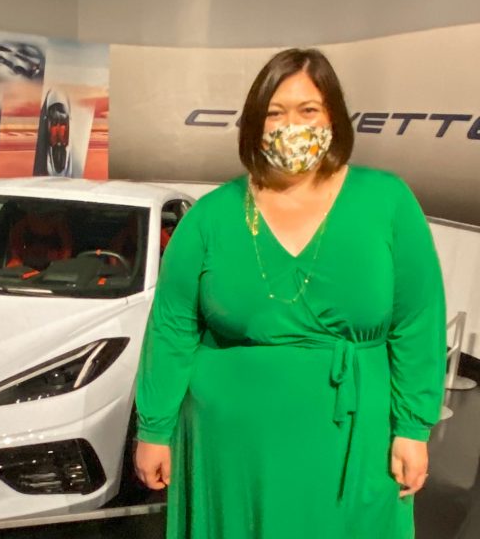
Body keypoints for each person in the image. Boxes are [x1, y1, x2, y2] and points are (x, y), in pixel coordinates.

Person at [134, 48, 446, 538]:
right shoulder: (211, 216)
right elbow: (172, 326)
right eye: (274, 113)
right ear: (253, 125)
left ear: (333, 117)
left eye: (308, 110)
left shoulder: (387, 202)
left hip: (353, 442)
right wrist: (154, 428)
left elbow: (418, 320)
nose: (290, 126)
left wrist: (412, 426)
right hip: (231, 448)